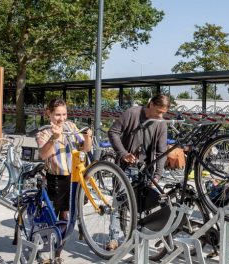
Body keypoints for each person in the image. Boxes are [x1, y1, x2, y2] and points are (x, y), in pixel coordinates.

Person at [106, 94, 171, 250]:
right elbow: (113, 132)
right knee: (118, 202)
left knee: (143, 206)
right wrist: (123, 153)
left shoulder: (160, 123)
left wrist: (158, 174)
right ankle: (113, 239)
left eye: (163, 113)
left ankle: (138, 238)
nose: (160, 116)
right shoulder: (132, 113)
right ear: (150, 104)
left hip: (145, 169)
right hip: (126, 166)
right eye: (158, 112)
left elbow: (162, 151)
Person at [36, 98, 93, 263]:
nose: (61, 118)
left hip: (74, 177)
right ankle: (52, 251)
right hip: (57, 177)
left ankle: (57, 249)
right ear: (49, 113)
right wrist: (54, 138)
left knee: (69, 215)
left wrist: (87, 137)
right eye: (57, 115)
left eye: (64, 114)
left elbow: (86, 149)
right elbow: (43, 155)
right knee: (60, 216)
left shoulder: (71, 127)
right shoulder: (44, 131)